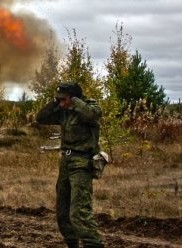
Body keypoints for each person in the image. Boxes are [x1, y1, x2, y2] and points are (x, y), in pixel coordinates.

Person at [36, 82, 104, 248]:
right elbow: (41, 118)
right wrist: (55, 101)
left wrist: (74, 102)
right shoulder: (63, 112)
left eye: (63, 99)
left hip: (82, 164)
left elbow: (91, 115)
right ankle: (72, 244)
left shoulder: (89, 107)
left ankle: (93, 244)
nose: (61, 103)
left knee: (79, 213)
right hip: (66, 163)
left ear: (74, 98)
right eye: (59, 100)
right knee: (63, 212)